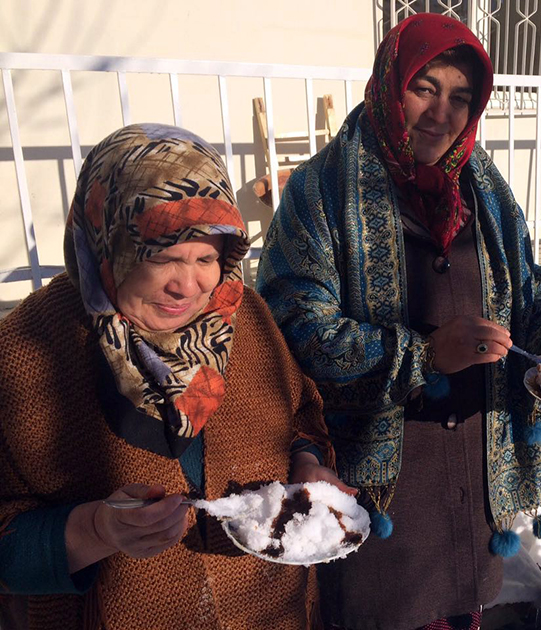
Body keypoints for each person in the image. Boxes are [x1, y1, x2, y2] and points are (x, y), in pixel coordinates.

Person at [256, 13, 541, 630]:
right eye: (424, 88)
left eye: (461, 97)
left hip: (475, 469)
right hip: (382, 487)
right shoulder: (323, 190)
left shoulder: (485, 190)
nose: (441, 113)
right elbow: (293, 328)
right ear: (389, 83)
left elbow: (530, 287)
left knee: (463, 607)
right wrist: (421, 356)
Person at [0, 123, 349, 630]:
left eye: (207, 257)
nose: (189, 284)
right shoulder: (29, 352)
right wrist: (97, 530)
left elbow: (300, 415)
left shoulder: (242, 316)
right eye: (162, 256)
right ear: (107, 246)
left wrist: (307, 463)